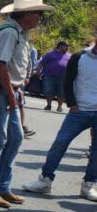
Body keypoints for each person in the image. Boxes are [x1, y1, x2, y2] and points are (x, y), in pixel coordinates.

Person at [0, 0, 52, 209]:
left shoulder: (20, 32)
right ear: (26, 14)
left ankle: (1, 186)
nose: (40, 17)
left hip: (9, 91)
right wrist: (10, 94)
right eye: (38, 13)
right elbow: (0, 66)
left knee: (15, 138)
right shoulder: (8, 32)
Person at [23, 31, 97, 201]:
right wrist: (72, 104)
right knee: (60, 143)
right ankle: (45, 180)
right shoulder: (79, 57)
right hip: (79, 111)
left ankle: (89, 185)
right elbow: (68, 81)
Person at [36, 41, 71, 112]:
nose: (67, 48)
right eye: (66, 46)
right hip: (49, 76)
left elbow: (72, 66)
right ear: (60, 46)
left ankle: (60, 106)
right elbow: (41, 63)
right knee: (49, 91)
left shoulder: (69, 56)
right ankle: (49, 105)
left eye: (67, 46)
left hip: (63, 77)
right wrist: (38, 71)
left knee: (61, 92)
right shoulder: (50, 54)